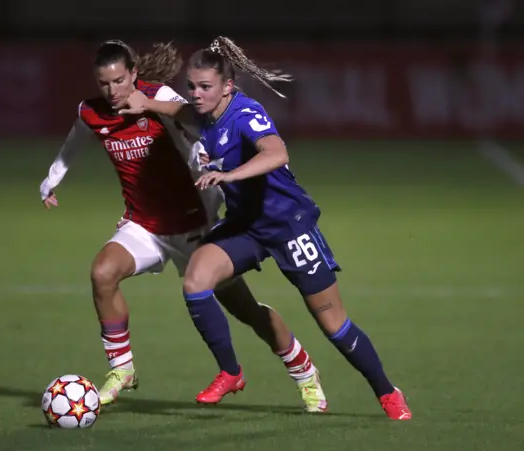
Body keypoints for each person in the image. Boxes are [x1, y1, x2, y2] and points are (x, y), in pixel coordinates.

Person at [117, 37, 412, 420]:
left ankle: (387, 393)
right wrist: (147, 102)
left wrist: (228, 175)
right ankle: (231, 372)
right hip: (246, 226)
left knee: (333, 324)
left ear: (228, 87)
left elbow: (277, 153)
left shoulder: (246, 113)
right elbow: (182, 112)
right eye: (192, 85)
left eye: (205, 87)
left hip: (289, 225)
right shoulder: (202, 113)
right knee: (196, 280)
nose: (196, 93)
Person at [39, 39, 327, 412]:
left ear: (134, 74)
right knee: (102, 272)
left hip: (194, 227)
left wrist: (208, 164)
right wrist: (52, 179)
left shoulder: (157, 97)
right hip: (144, 225)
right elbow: (75, 140)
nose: (112, 90)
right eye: (104, 83)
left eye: (119, 80)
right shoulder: (93, 112)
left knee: (245, 309)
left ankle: (303, 372)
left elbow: (194, 126)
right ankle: (122, 369)